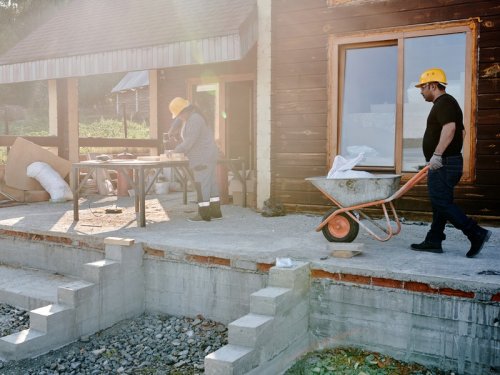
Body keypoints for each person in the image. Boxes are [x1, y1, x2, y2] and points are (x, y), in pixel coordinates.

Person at [411, 68, 491, 257]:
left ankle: (475, 232)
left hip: (444, 163)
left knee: (440, 201)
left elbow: (451, 129)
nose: (421, 92)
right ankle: (434, 240)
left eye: (422, 87)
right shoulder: (448, 103)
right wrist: (449, 153)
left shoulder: (444, 102)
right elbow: (461, 133)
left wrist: (438, 155)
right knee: (441, 202)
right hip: (448, 161)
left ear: (432, 85)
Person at [168, 97, 222, 222]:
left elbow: (189, 142)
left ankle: (203, 214)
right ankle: (215, 212)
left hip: (202, 157)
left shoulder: (194, 120)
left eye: (179, 115)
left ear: (184, 111)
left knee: (202, 185)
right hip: (208, 155)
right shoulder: (192, 115)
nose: (179, 118)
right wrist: (172, 128)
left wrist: (174, 151)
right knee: (211, 184)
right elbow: (178, 120)